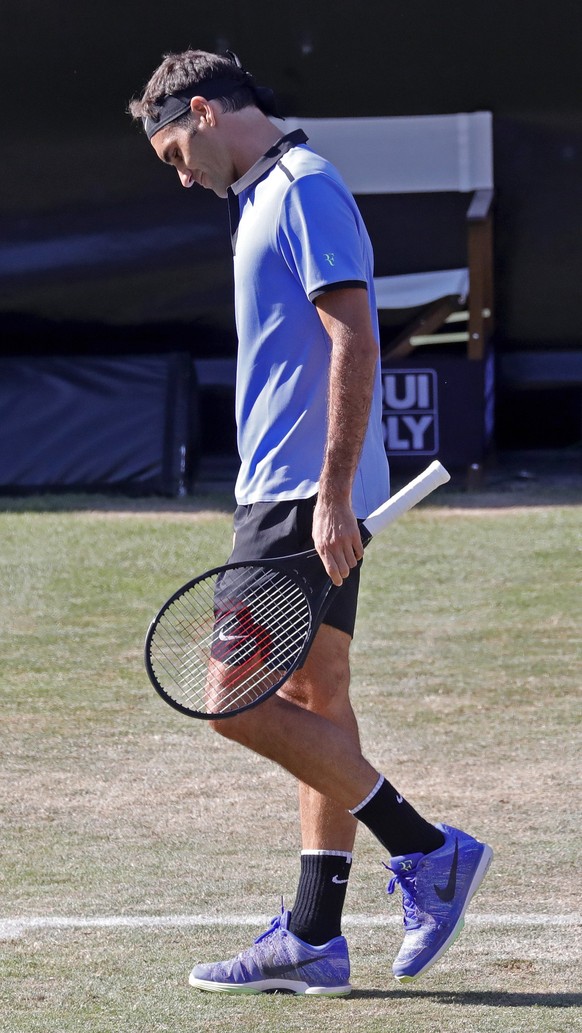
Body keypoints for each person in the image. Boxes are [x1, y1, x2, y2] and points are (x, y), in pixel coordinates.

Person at [129, 49, 492, 996]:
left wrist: (331, 494)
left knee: (231, 698)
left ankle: (427, 850)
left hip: (300, 492)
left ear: (204, 111)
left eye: (174, 149)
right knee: (317, 697)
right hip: (286, 486)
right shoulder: (264, 197)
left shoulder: (301, 188)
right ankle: (315, 933)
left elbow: (356, 337)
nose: (179, 172)